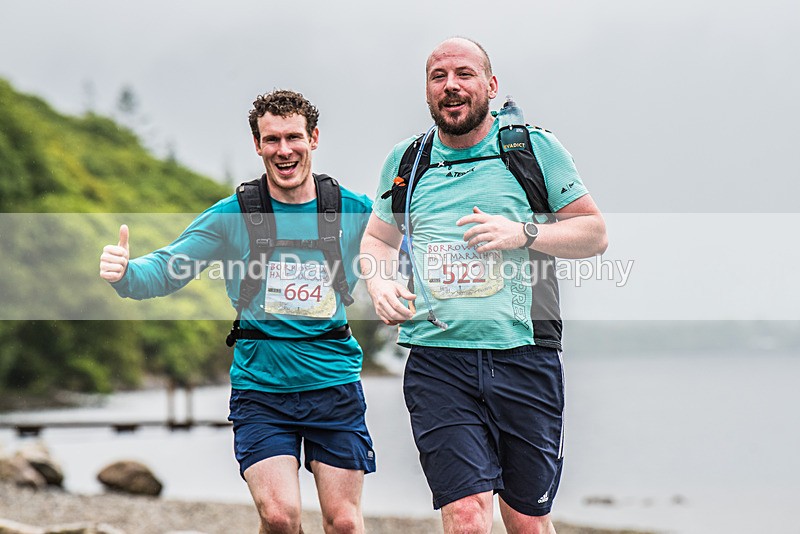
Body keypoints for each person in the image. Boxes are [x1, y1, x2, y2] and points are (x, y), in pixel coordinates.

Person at [360, 37, 608, 534]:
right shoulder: (407, 162)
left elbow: (594, 233)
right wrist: (379, 283)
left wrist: (523, 232)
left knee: (527, 521)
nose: (451, 86)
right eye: (438, 76)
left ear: (490, 86)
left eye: (464, 74)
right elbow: (378, 238)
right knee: (467, 514)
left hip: (524, 356)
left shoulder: (532, 150)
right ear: (427, 92)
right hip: (437, 362)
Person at [100, 90, 375, 534]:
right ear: (257, 145)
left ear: (314, 138)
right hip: (261, 391)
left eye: (293, 137)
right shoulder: (233, 215)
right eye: (271, 140)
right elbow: (170, 267)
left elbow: (405, 256)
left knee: (343, 522)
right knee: (280, 516)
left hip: (335, 387)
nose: (283, 150)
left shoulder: (353, 209)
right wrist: (125, 273)